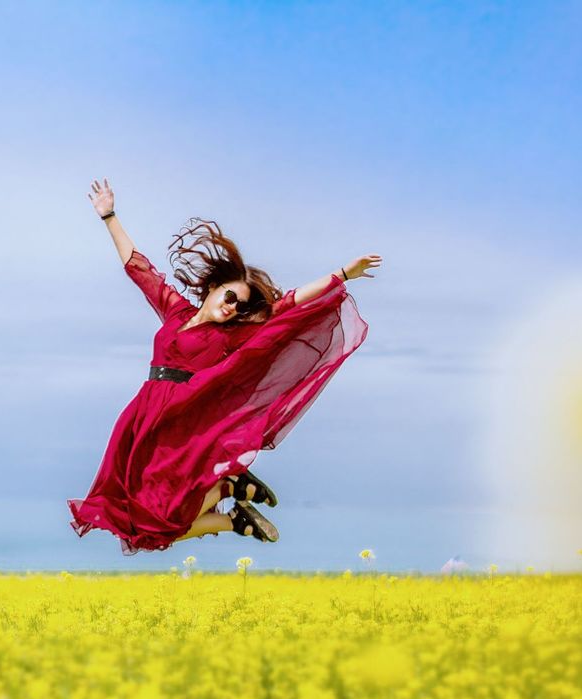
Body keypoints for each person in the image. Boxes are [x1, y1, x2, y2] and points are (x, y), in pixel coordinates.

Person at [67, 178, 379, 556]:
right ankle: (233, 501)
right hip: (145, 415)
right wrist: (110, 216)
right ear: (213, 288)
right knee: (130, 513)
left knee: (153, 524)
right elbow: (138, 267)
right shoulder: (175, 311)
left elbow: (289, 304)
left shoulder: (231, 335)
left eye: (240, 305)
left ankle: (230, 496)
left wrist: (342, 275)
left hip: (185, 419)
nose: (232, 306)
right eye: (230, 296)